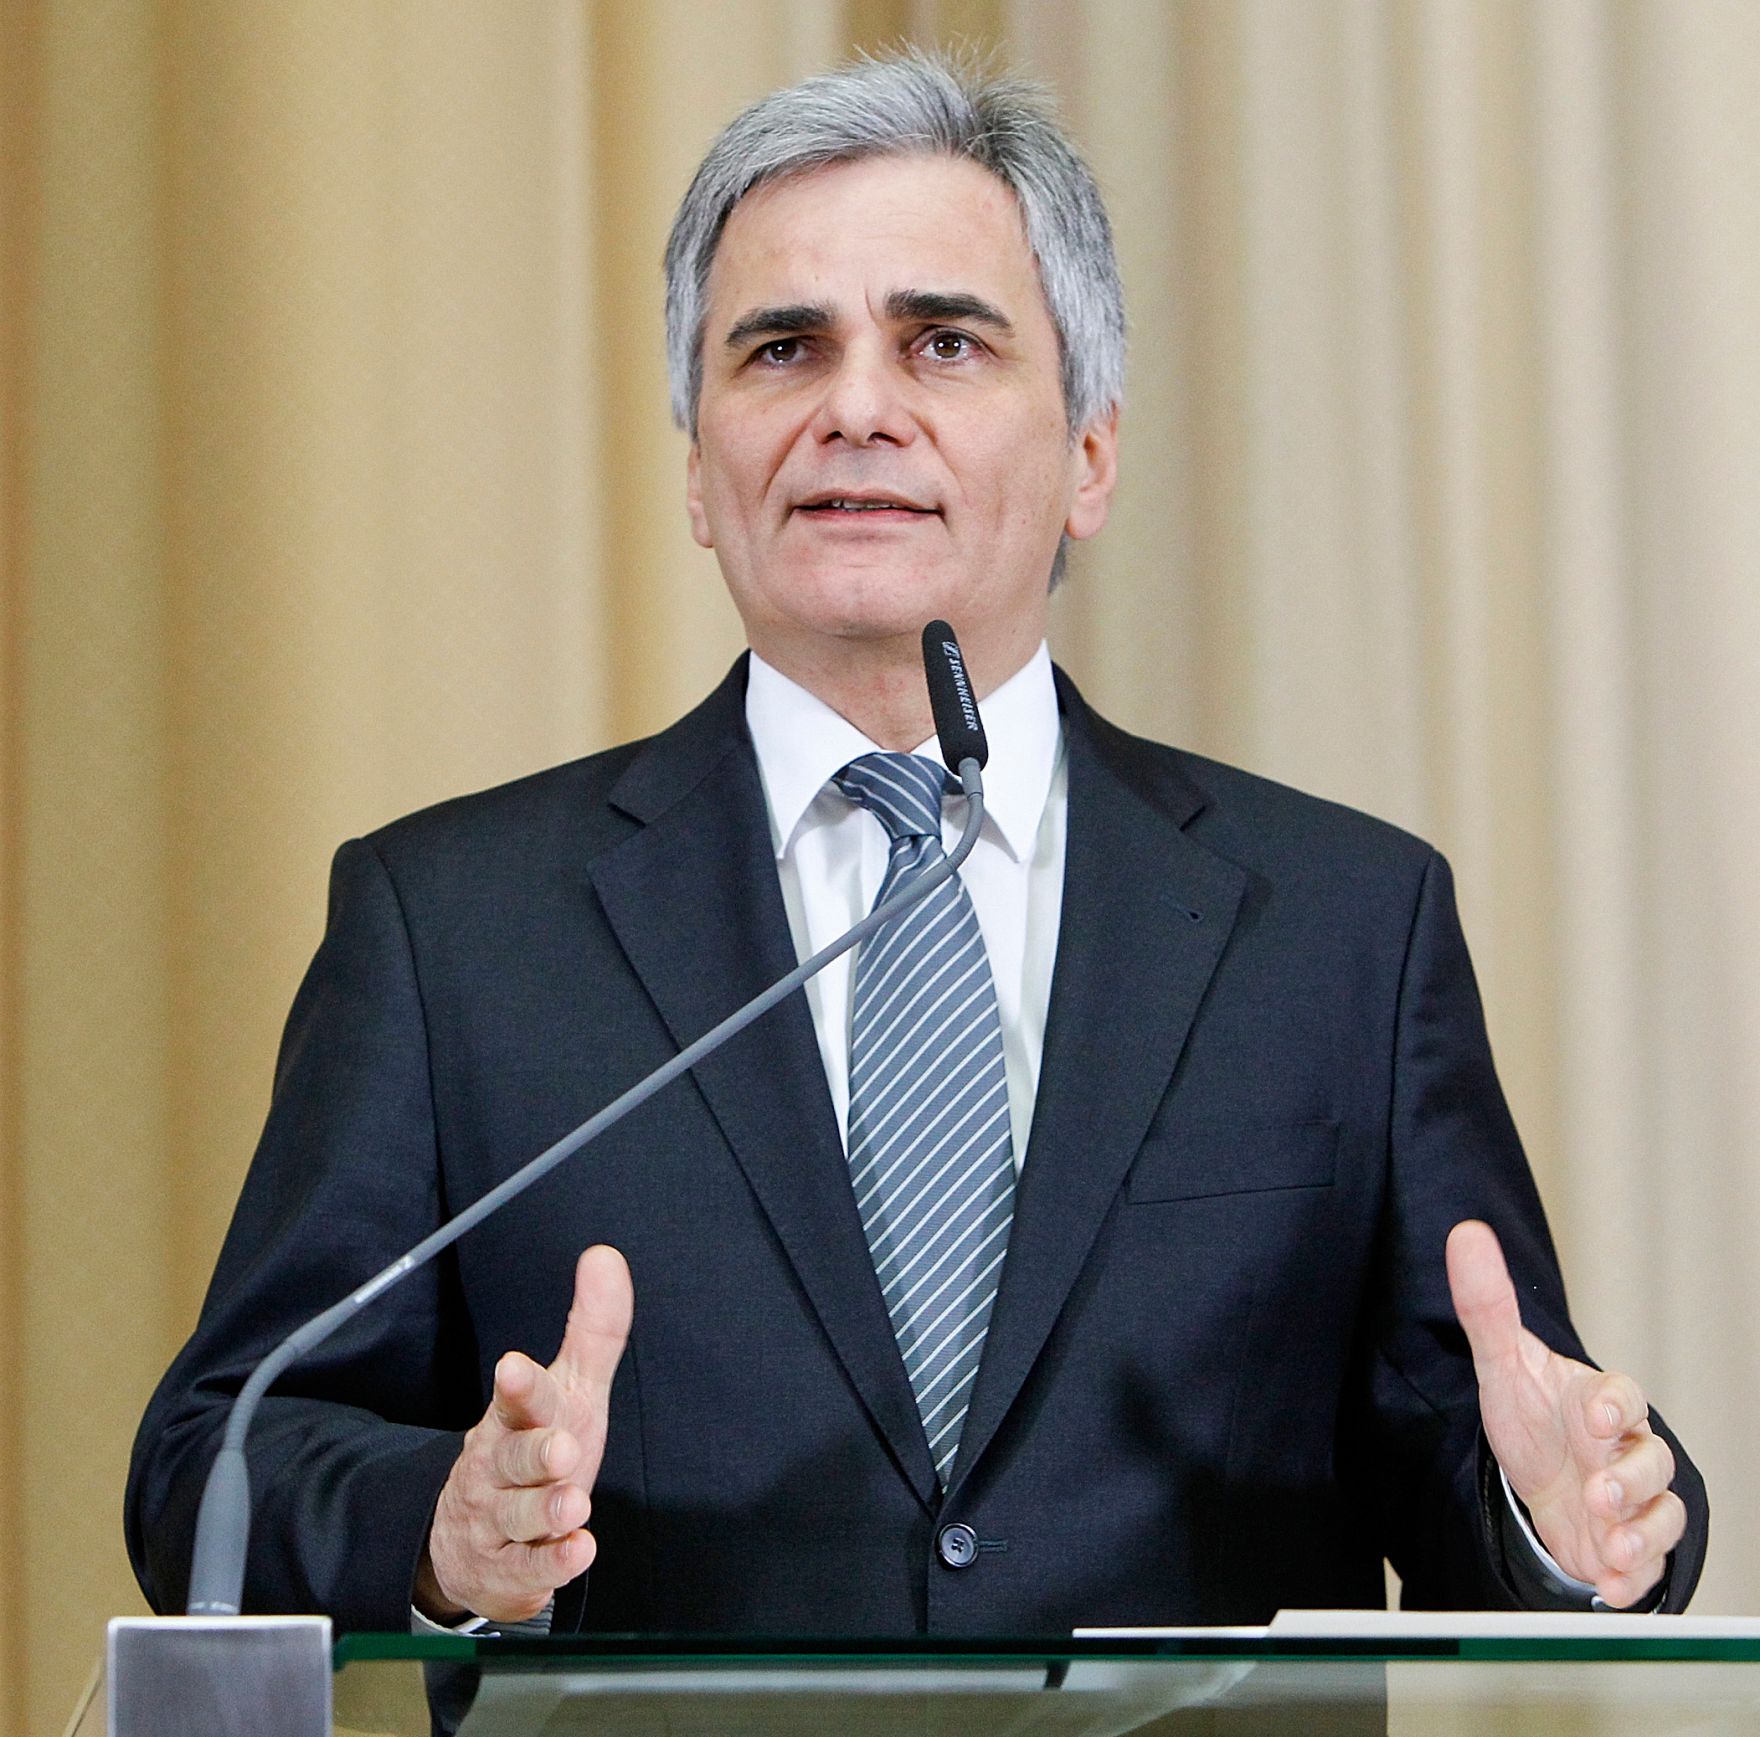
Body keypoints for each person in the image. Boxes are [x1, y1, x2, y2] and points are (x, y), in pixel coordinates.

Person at [127, 48, 1706, 1637]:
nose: (856, 408)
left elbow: (1470, 1430)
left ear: (1090, 453)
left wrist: (1550, 1513)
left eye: (942, 342)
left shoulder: (1347, 927)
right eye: (781, 349)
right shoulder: (452, 928)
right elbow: (222, 1452)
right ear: (697, 466)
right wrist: (444, 1533)